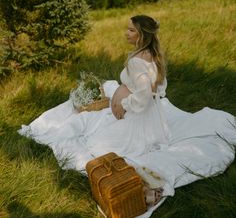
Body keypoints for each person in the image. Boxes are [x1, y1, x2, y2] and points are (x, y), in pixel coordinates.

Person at [18, 15, 236, 216]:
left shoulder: (137, 61)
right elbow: (158, 87)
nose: (126, 33)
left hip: (137, 118)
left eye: (131, 30)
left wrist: (124, 103)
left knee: (96, 144)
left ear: (141, 34)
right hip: (150, 116)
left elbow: (143, 94)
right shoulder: (153, 55)